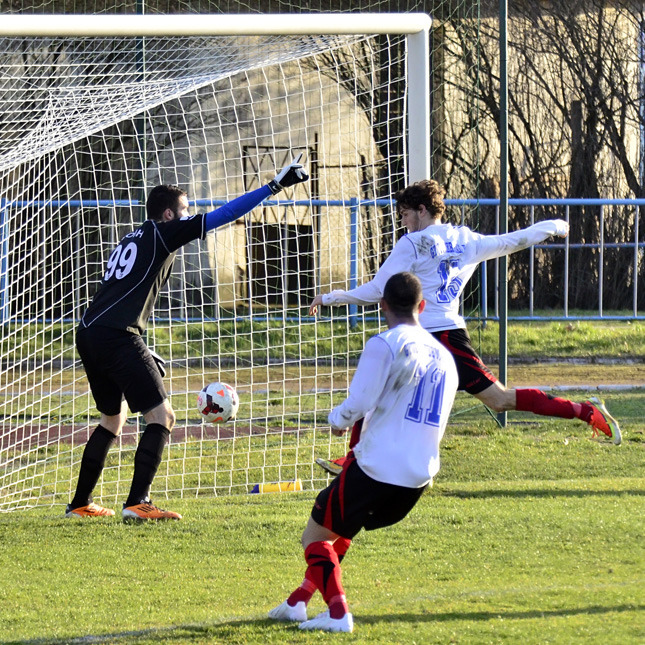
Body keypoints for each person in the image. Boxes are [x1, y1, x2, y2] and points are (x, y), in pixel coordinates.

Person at [311, 179, 621, 476]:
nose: (403, 222)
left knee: (494, 399)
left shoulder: (413, 243)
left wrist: (330, 297)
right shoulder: (467, 240)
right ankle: (353, 461)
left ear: (421, 210)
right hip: (449, 335)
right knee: (392, 388)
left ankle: (585, 410)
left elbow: (378, 289)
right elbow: (513, 241)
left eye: (405, 214)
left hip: (428, 337)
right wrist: (553, 226)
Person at [66, 155, 308, 521]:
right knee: (162, 416)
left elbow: (120, 295)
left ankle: (80, 504)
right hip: (116, 336)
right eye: (185, 210)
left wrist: (139, 347)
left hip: (90, 332)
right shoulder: (165, 232)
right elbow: (226, 214)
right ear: (169, 214)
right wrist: (274, 186)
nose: (189, 215)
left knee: (112, 419)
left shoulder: (132, 238)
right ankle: (137, 503)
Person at [269, 272, 458, 633]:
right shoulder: (446, 358)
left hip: (378, 467)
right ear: (422, 306)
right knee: (340, 530)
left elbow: (360, 401)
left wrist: (337, 419)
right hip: (419, 476)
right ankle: (297, 602)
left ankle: (338, 613)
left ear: (382, 305)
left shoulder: (385, 343)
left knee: (314, 538)